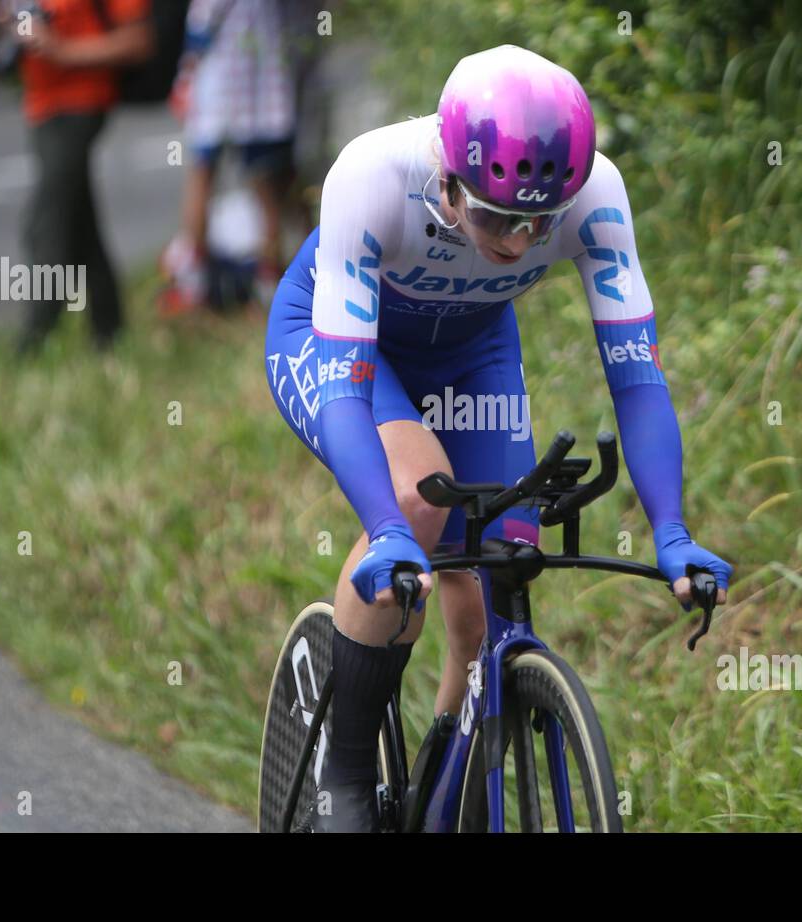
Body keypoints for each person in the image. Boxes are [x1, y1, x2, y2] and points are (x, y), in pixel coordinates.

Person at [264, 45, 733, 832]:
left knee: (495, 578)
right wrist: (386, 526)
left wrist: (672, 529)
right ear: (446, 176)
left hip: (472, 352)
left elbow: (638, 377)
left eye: (538, 223)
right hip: (345, 342)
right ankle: (341, 779)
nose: (517, 243)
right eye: (493, 217)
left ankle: (441, 791)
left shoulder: (599, 195)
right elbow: (347, 381)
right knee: (418, 497)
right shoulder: (371, 177)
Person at [6, 0, 154, 353]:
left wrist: (62, 50)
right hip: (40, 106)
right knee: (79, 221)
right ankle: (109, 330)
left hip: (82, 102)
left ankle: (34, 338)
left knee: (45, 222)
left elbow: (139, 42)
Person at [159, 0, 303, 314]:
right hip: (262, 74)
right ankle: (268, 284)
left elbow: (203, 20)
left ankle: (194, 281)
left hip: (220, 77)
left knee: (204, 175)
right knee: (267, 182)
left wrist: (188, 66)